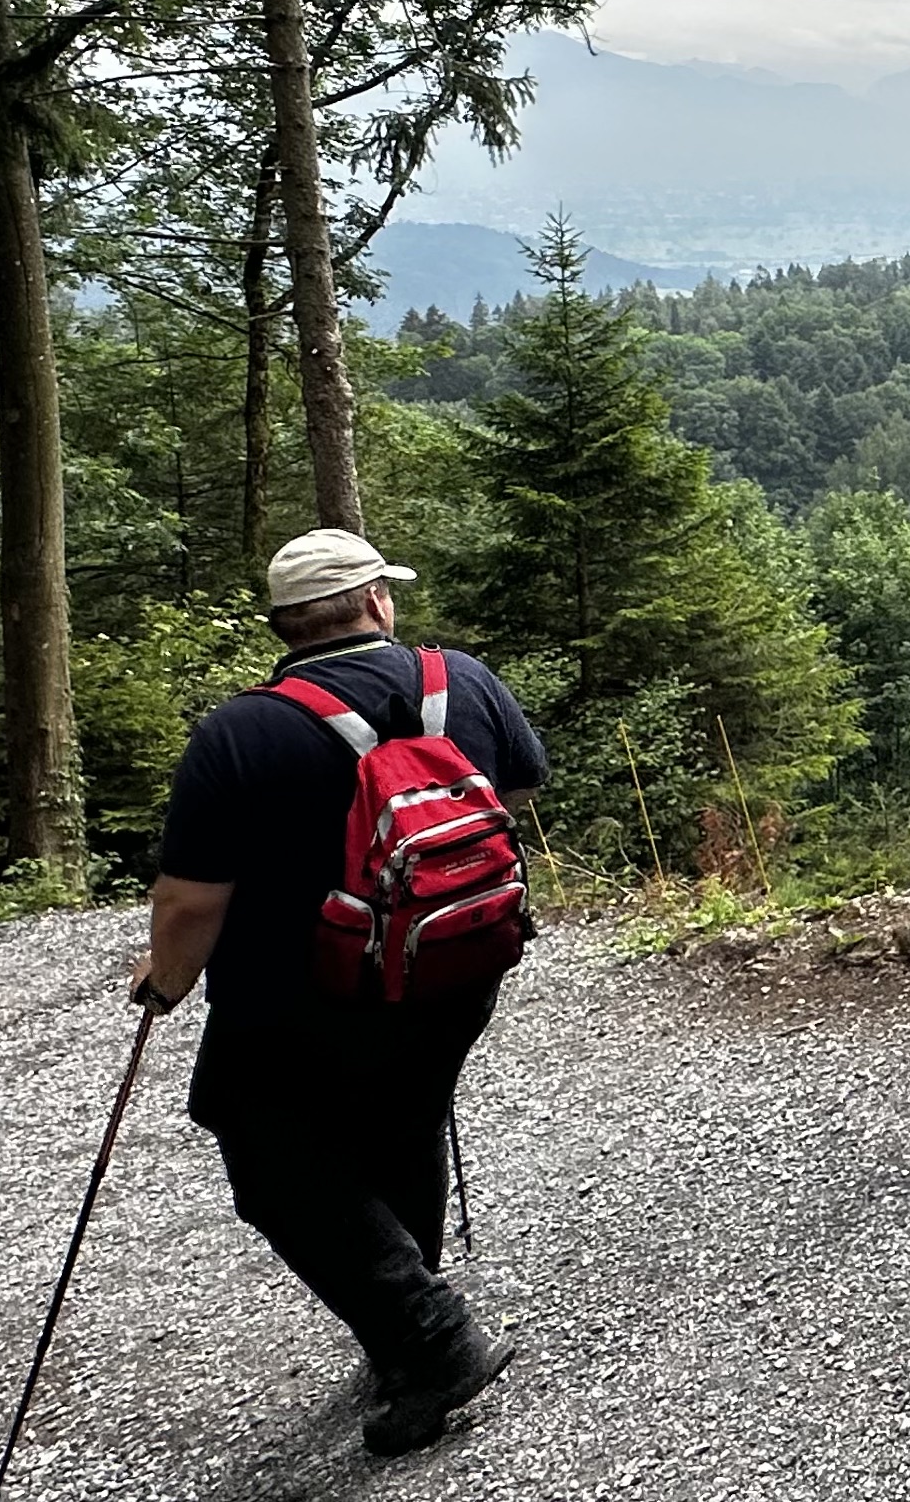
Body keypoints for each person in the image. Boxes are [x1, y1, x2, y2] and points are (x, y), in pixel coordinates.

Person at [128, 528, 545, 1457]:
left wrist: (165, 981)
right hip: (456, 964)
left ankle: (431, 1340)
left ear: (282, 624)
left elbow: (192, 900)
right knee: (404, 1118)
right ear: (377, 601)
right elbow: (511, 792)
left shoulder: (242, 729)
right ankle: (408, 1324)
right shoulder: (461, 681)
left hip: (302, 990)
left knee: (274, 1165)